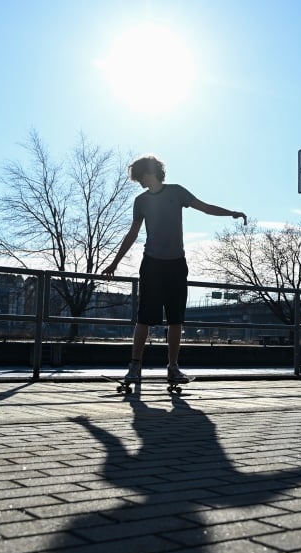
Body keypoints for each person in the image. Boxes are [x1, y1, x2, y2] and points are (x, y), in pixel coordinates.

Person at [102, 155, 247, 383]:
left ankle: (173, 368)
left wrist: (231, 213)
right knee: (144, 319)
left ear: (148, 173)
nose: (139, 182)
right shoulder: (140, 201)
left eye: (140, 177)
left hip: (176, 264)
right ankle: (134, 368)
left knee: (175, 319)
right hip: (151, 264)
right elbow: (132, 233)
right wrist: (114, 262)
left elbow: (205, 208)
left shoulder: (177, 192)